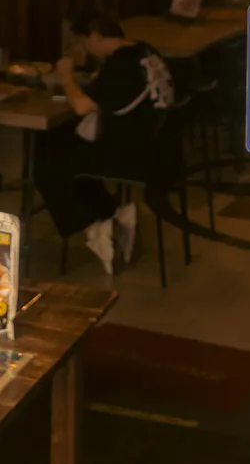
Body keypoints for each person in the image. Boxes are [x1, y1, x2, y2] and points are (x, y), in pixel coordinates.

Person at [38, 14, 175, 273]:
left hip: (132, 155)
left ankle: (96, 228)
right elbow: (112, 87)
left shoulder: (121, 66)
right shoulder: (143, 50)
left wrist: (66, 76)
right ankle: (111, 215)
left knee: (48, 159)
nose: (83, 50)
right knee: (62, 141)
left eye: (82, 43)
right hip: (161, 146)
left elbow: (80, 107)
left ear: (95, 37)